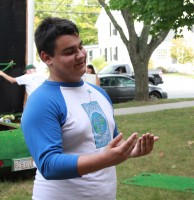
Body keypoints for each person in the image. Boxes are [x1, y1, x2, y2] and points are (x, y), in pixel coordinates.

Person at [21, 17, 159, 200]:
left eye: (80, 46)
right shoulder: (42, 101)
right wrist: (106, 159)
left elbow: (107, 143)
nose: (81, 55)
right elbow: (48, 164)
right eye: (69, 51)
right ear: (47, 57)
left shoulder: (98, 93)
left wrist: (130, 151)